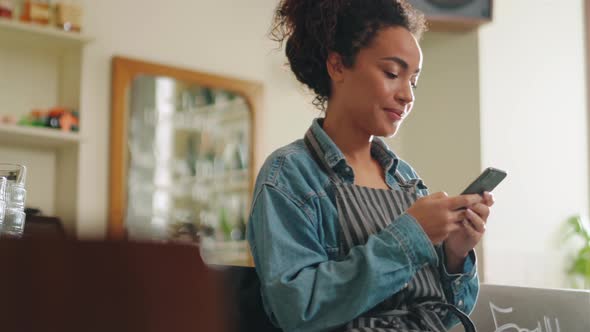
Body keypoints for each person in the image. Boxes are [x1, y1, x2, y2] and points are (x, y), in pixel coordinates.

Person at [246, 1, 494, 331]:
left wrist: (455, 255)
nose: (407, 95)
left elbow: (445, 315)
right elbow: (299, 308)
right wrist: (411, 237)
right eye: (392, 73)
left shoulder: (405, 180)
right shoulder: (289, 176)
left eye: (414, 81)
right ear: (337, 66)